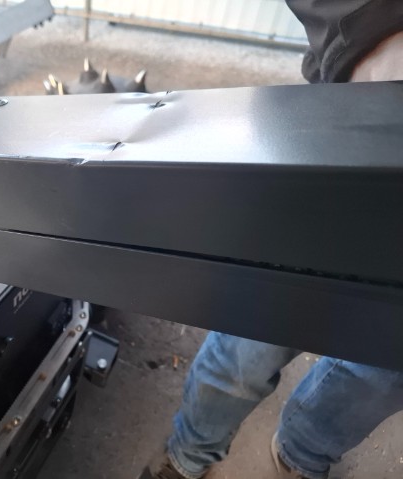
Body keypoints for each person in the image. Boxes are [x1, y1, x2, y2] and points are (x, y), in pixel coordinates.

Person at [140, 1, 403, 478]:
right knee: (254, 335)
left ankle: (302, 455)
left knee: (384, 369)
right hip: (357, 136)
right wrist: (378, 37)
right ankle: (189, 454)